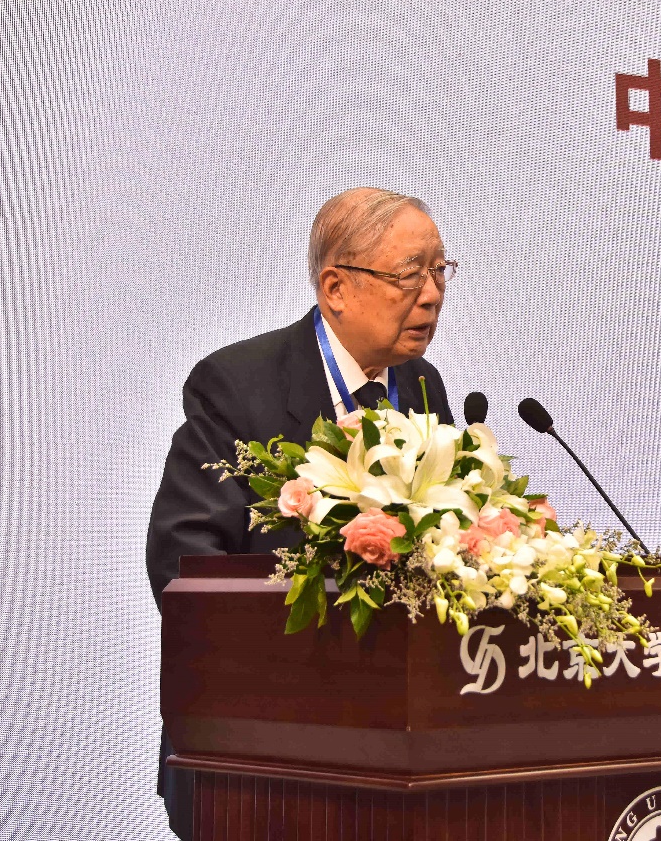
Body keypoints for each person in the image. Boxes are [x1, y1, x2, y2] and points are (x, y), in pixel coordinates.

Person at [145, 187, 455, 839]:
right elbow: (183, 559)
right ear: (336, 287)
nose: (431, 295)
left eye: (438, 271)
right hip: (260, 754)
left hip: (401, 754)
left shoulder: (423, 386)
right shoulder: (238, 383)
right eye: (409, 274)